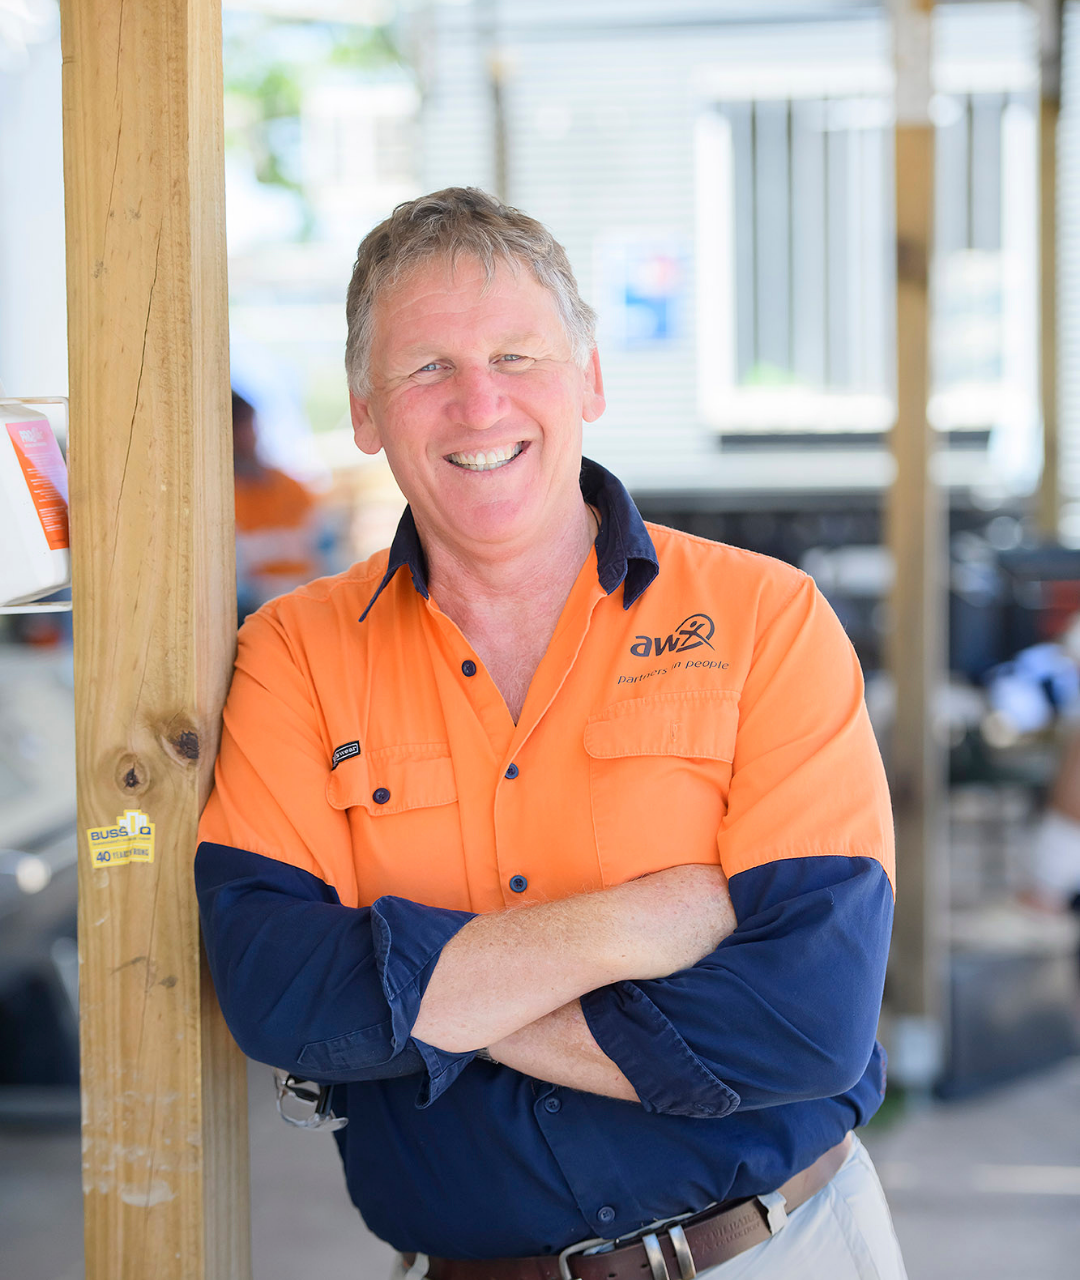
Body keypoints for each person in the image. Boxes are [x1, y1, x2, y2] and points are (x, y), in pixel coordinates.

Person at [196, 188, 906, 1279]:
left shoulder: (768, 619)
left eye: (517, 356)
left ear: (591, 379)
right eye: (426, 367)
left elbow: (808, 1019)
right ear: (365, 411)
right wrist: (637, 922)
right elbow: (282, 994)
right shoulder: (296, 653)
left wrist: (420, 1005)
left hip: (779, 1247)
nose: (479, 404)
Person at [232, 389, 323, 620]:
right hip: (255, 605)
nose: (247, 436)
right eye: (239, 428)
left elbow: (317, 540)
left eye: (249, 426)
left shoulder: (288, 485)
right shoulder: (219, 496)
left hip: (306, 594)